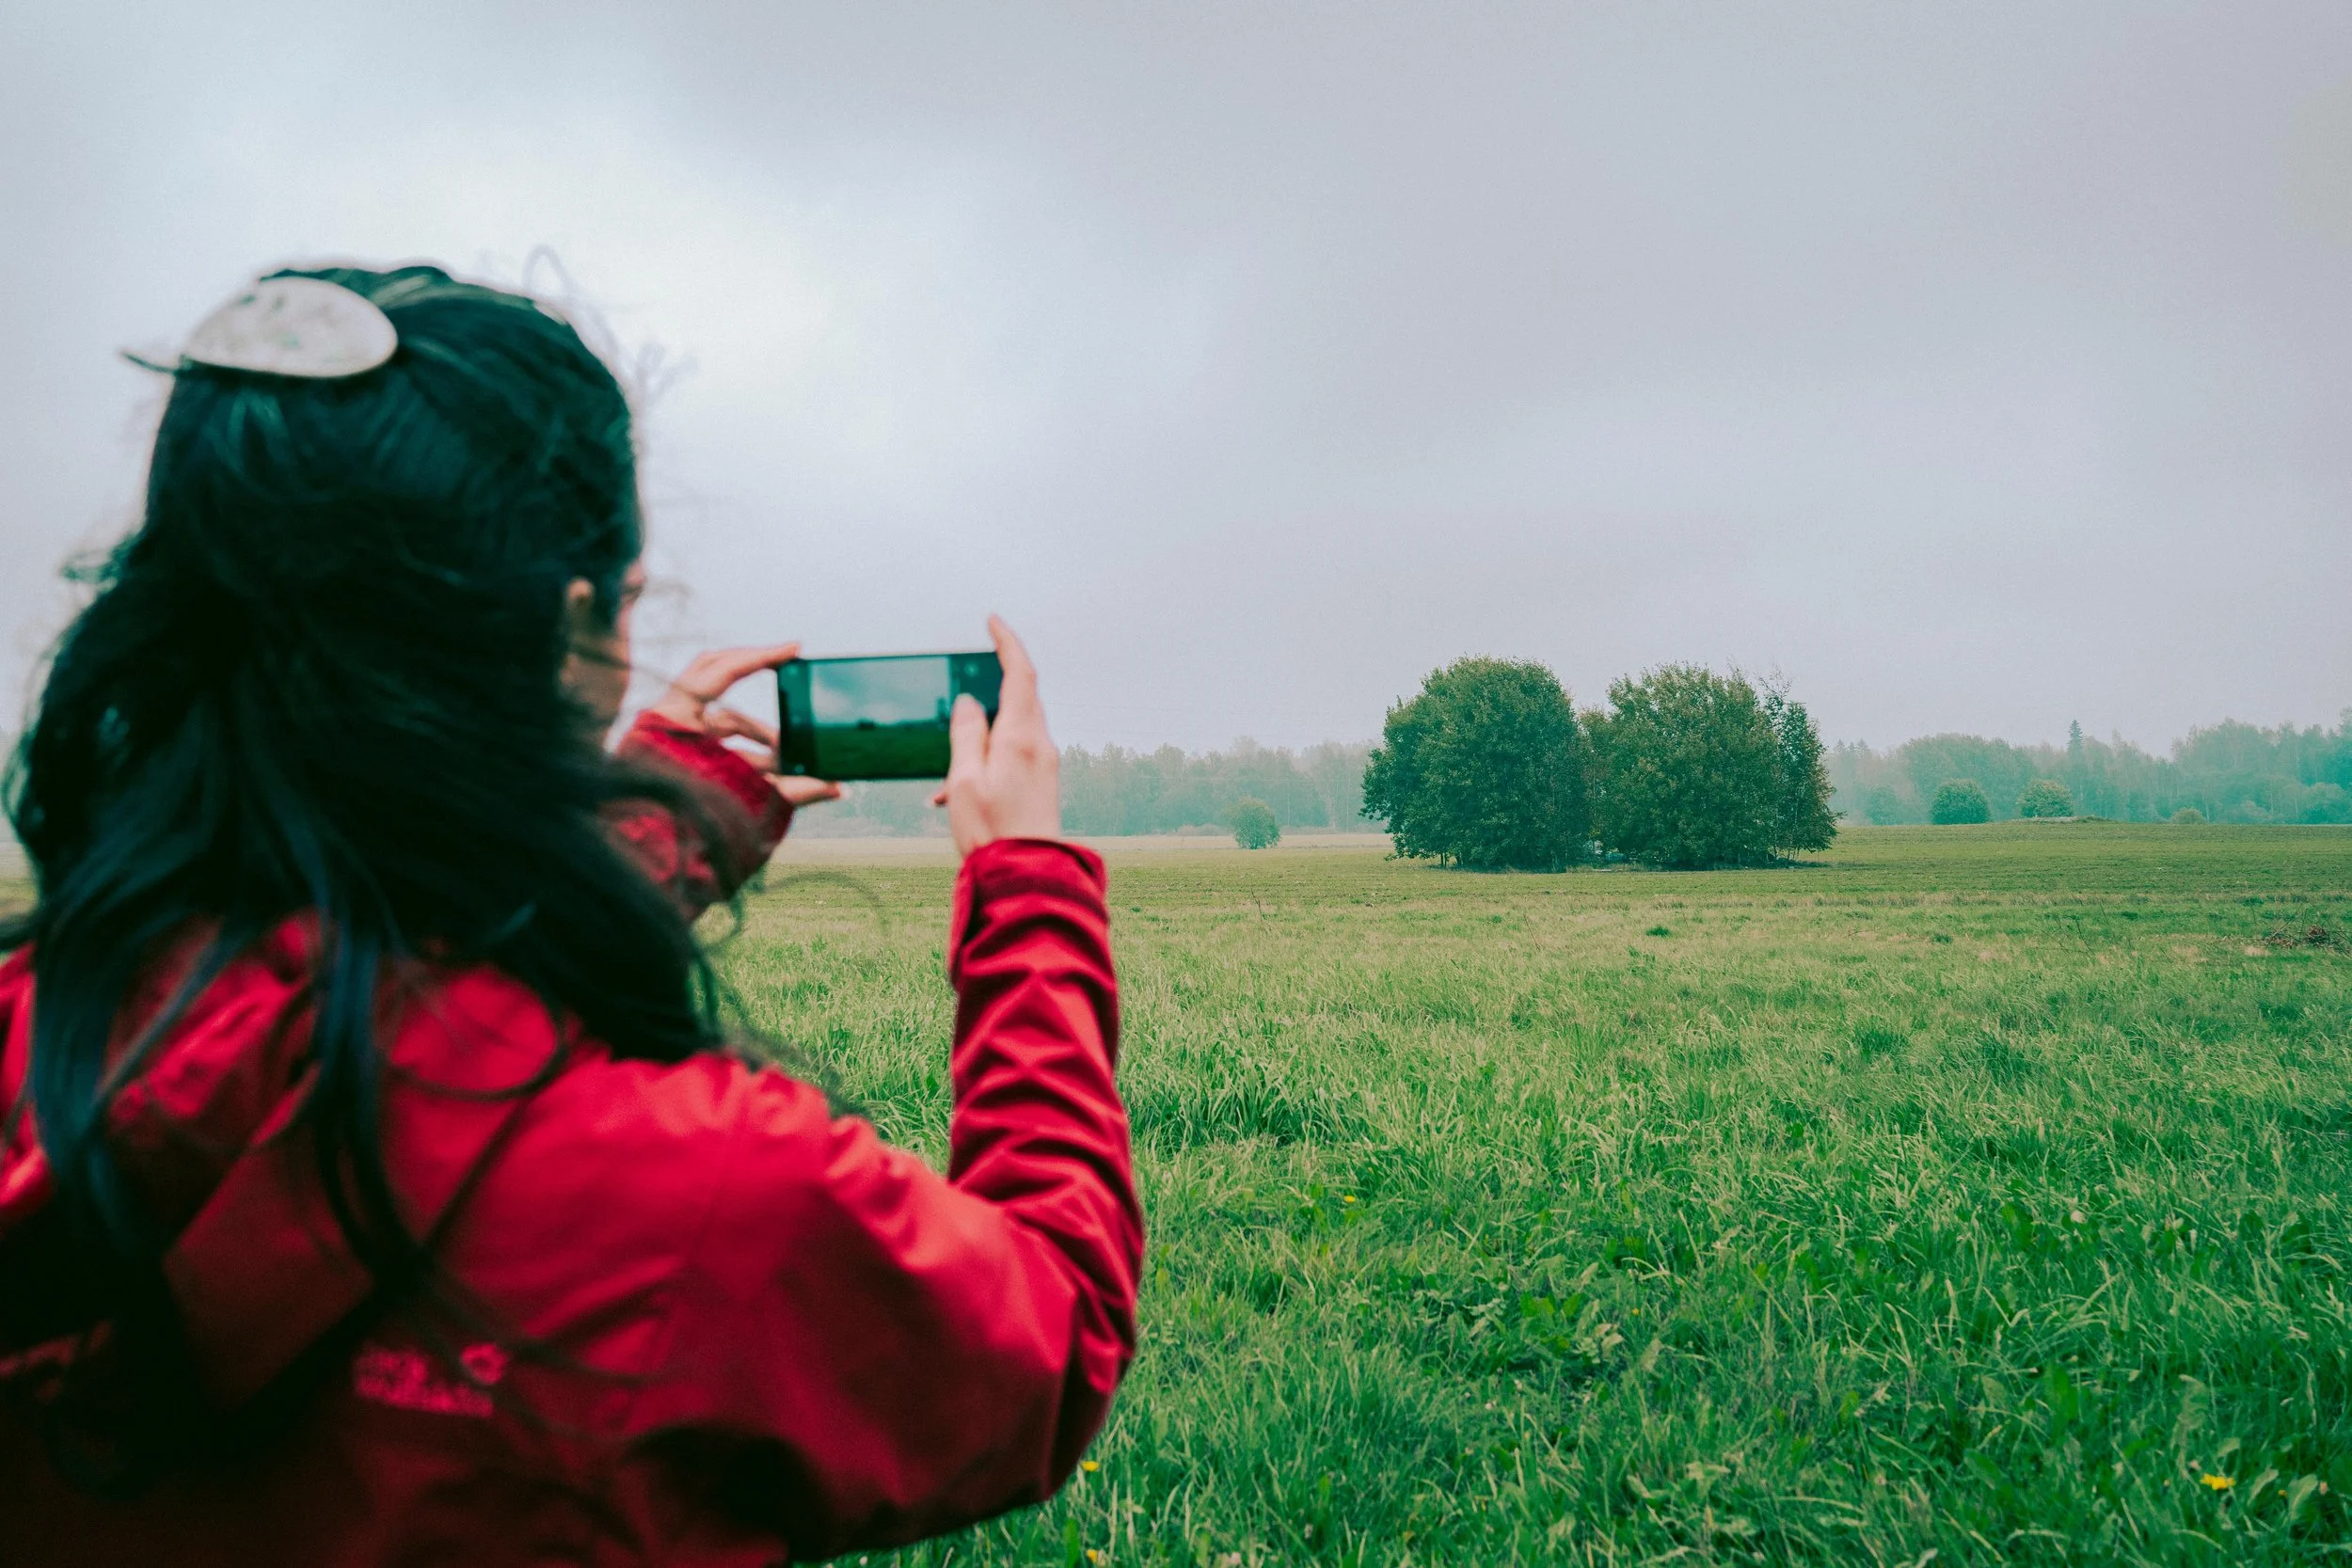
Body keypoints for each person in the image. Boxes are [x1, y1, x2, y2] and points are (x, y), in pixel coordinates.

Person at [0, 265, 1141, 1566]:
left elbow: (377, 994)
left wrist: (658, 824)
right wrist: (1027, 887)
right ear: (576, 620)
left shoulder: (41, 1026)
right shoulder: (694, 1188)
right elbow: (1050, 1328)